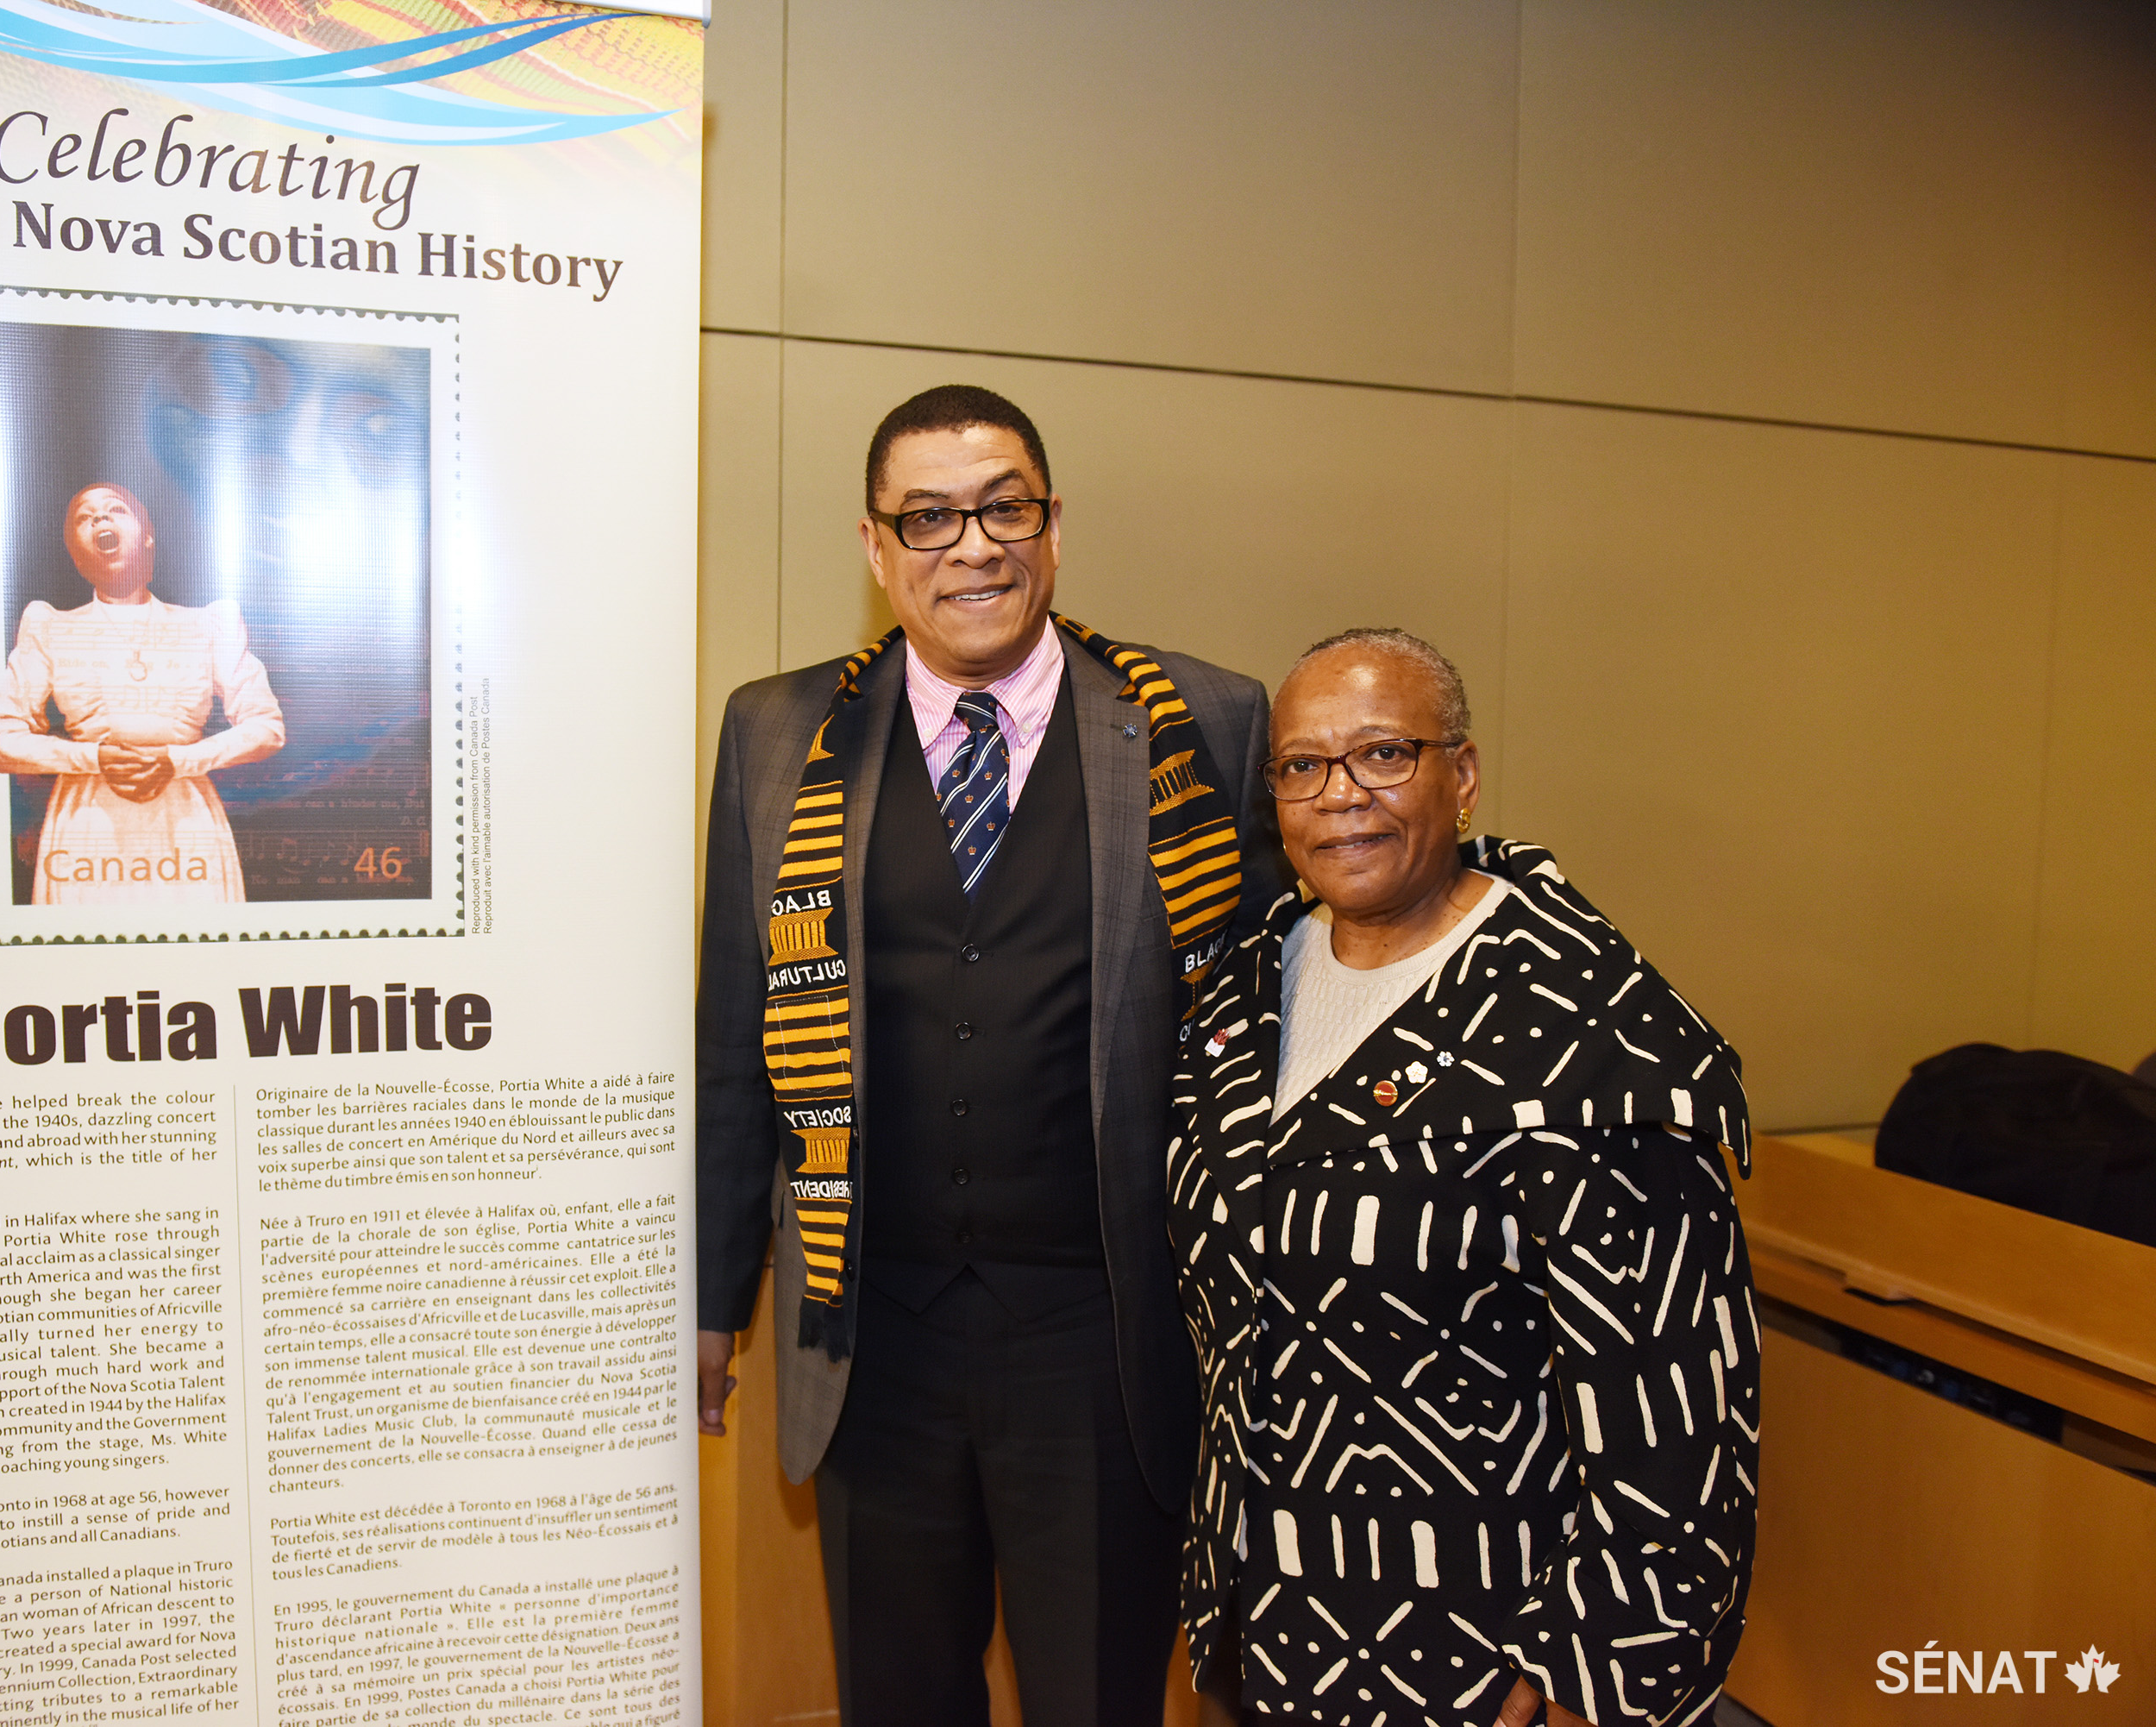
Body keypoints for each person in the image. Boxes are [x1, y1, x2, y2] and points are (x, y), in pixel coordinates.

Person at [696, 385, 1279, 1726]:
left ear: (1053, 522)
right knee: (897, 1699)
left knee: (1097, 1696)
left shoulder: (1204, 721)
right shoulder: (777, 734)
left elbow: (1264, 1028)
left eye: (1005, 506)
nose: (975, 546)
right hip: (866, 1327)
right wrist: (715, 1295)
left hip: (1102, 1330)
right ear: (876, 544)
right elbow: (738, 1033)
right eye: (931, 516)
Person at [1169, 629, 1758, 1727]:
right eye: (1302, 766)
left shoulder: (1588, 1032)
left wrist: (1590, 1670)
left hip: (1477, 1652)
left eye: (1384, 754)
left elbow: (1679, 1408)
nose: (1340, 794)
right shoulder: (1246, 994)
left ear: (1466, 777)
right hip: (1260, 1619)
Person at [0, 482, 285, 904]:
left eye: (115, 510)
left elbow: (266, 728)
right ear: (76, 553)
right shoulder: (49, 626)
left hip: (186, 827)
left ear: (147, 535)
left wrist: (178, 761)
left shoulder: (209, 624)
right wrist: (92, 758)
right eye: (85, 518)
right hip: (87, 830)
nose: (100, 519)